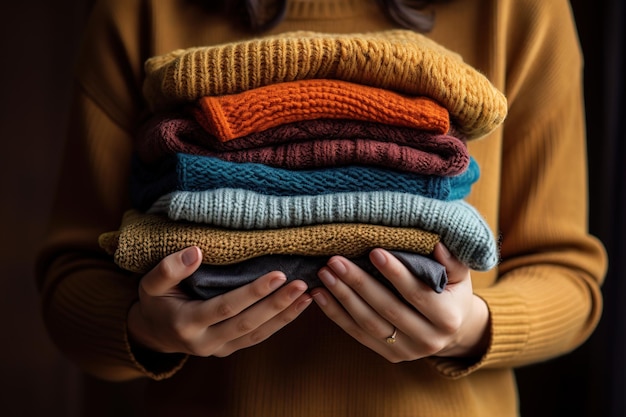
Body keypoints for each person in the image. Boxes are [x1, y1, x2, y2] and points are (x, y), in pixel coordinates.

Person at [35, 0, 608, 415]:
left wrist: (469, 328)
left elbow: (570, 278)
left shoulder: (518, 11)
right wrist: (145, 327)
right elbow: (71, 280)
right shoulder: (141, 11)